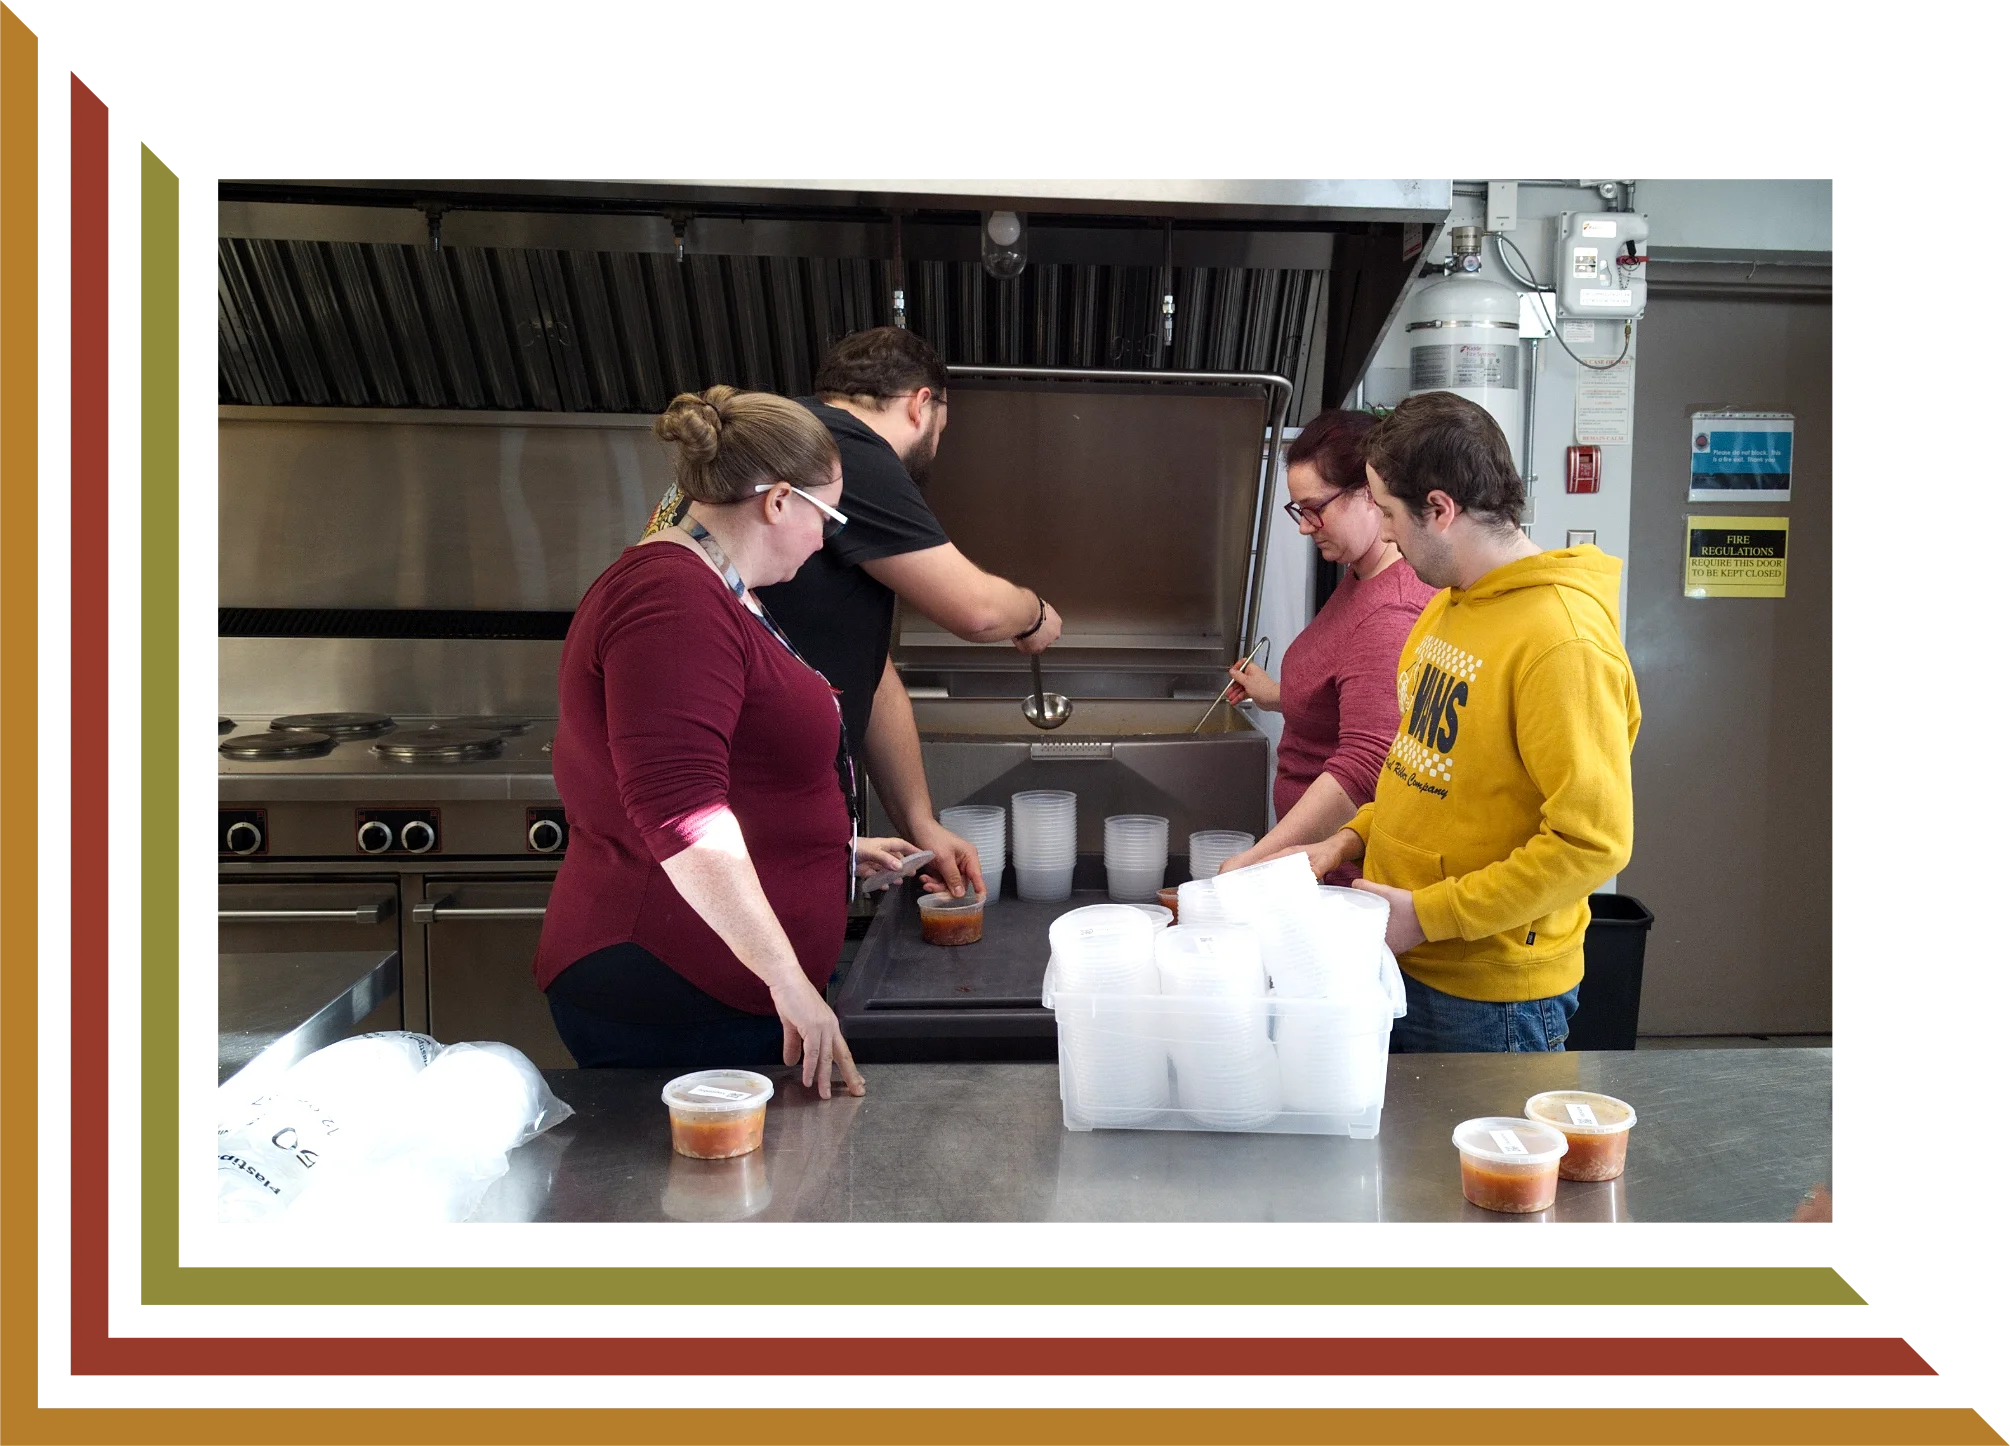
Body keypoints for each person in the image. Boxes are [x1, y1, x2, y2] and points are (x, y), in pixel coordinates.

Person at [538, 387, 918, 1095]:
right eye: (828, 515)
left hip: (713, 983)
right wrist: (790, 983)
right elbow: (681, 814)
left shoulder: (715, 589)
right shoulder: (671, 599)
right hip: (676, 987)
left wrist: (827, 850)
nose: (827, 539)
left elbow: (731, 770)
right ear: (778, 502)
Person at [649, 327, 1063, 902]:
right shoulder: (844, 449)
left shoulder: (786, 447)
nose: (823, 540)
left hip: (770, 838)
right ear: (922, 404)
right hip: (738, 845)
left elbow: (871, 670)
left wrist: (918, 822)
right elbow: (978, 613)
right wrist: (1034, 614)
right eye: (941, 430)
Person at [1286, 391, 1641, 1053]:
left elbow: (1591, 843)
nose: (1386, 533)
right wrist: (1348, 840)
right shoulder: (1451, 605)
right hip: (1412, 960)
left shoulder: (1562, 643)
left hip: (1490, 996)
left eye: (1390, 514)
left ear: (1440, 509)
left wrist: (1427, 915)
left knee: (1479, 1161)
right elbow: (1421, 772)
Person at [1217, 410, 1436, 883]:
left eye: (1316, 507)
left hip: (1340, 876)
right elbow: (1344, 694)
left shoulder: (1390, 611)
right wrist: (1272, 693)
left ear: (1371, 492)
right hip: (1311, 865)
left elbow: (1364, 768)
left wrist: (1255, 861)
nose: (1304, 526)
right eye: (1298, 510)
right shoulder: (1360, 576)